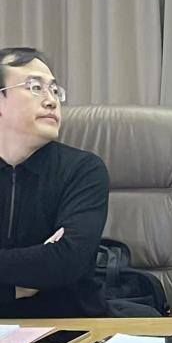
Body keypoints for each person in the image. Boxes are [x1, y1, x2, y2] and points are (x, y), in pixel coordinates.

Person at [0, 47, 109, 317]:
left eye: (54, 90)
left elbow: (66, 261)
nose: (51, 101)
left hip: (72, 326)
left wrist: (50, 262)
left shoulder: (83, 169)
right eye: (35, 87)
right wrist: (15, 289)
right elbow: (46, 264)